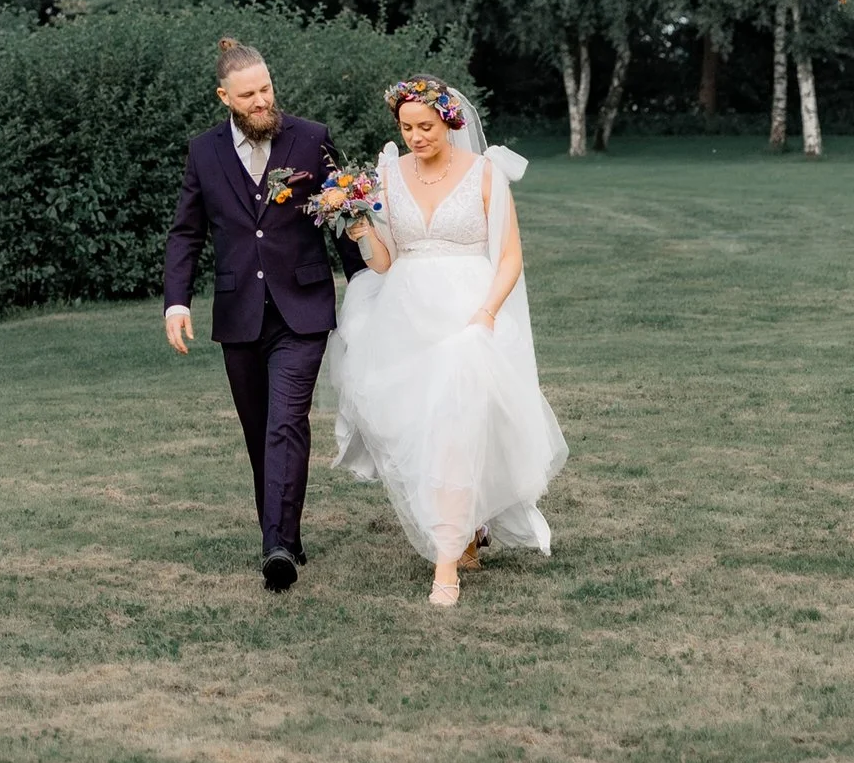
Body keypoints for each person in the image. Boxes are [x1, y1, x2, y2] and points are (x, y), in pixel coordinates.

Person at [329, 74, 567, 607]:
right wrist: (362, 232)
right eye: (406, 128)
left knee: (456, 430)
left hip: (467, 317)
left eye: (426, 127)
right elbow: (384, 262)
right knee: (422, 431)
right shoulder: (387, 176)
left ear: (449, 121)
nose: (416, 137)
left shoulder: (485, 172)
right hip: (405, 319)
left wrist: (486, 314)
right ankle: (464, 531)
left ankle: (445, 564)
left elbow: (510, 256)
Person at [162, 37, 344, 592]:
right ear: (225, 97)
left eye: (266, 89)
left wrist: (372, 285)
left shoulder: (311, 139)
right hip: (239, 312)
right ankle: (285, 532)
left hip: (302, 309)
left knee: (286, 421)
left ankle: (277, 548)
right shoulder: (204, 152)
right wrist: (176, 300)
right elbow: (186, 233)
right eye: (248, 95)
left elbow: (345, 213)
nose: (262, 101)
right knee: (259, 428)